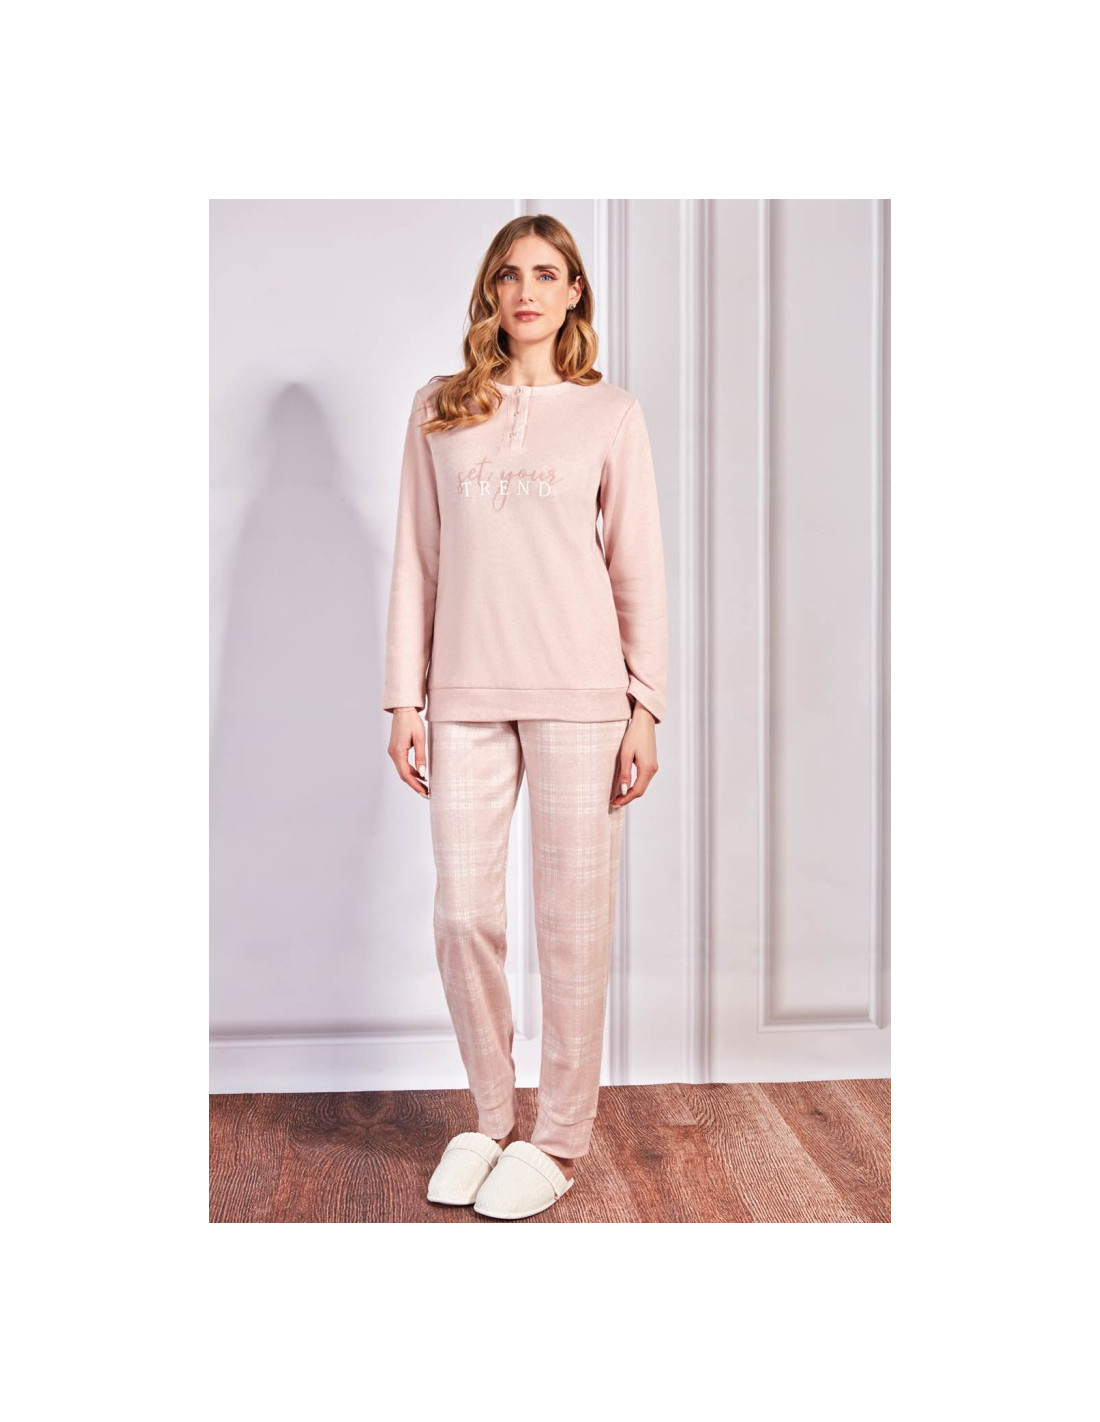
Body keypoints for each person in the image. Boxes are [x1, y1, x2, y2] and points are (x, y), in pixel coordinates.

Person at [381, 213, 669, 1220]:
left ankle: (558, 1139)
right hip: (463, 694)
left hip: (585, 698)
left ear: (574, 291)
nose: (526, 292)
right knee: (463, 914)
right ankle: (494, 1117)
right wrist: (403, 696)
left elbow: (636, 567)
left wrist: (646, 706)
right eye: (509, 275)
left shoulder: (610, 414)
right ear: (490, 292)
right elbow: (416, 560)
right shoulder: (440, 407)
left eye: (546, 275)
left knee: (572, 927)